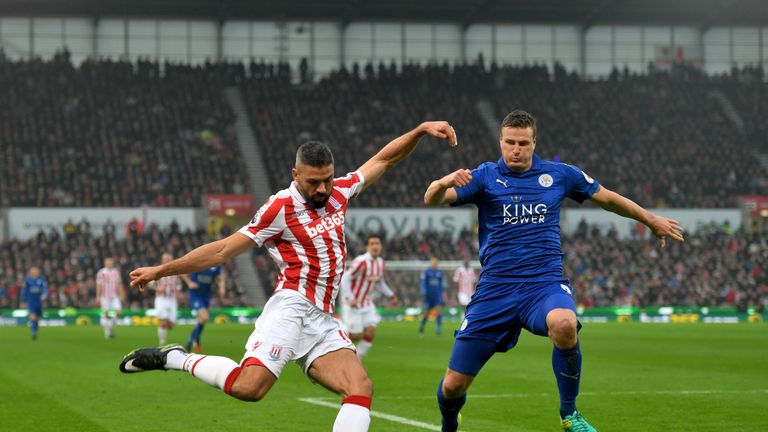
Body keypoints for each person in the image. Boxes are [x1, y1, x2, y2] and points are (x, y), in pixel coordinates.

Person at [118, 121, 458, 432]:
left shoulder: (339, 191)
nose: (323, 188)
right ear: (295, 174)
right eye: (313, 182)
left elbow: (384, 160)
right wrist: (163, 270)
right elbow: (222, 249)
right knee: (250, 389)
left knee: (360, 386)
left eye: (327, 178)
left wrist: (419, 131)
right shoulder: (278, 207)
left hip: (322, 317)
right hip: (291, 306)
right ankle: (175, 358)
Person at [423, 110, 684, 432]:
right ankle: (450, 420)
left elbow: (607, 198)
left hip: (543, 284)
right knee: (452, 386)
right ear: (500, 142)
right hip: (495, 290)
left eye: (523, 143)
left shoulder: (559, 175)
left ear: (534, 143)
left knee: (564, 324)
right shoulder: (484, 177)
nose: (516, 149)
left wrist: (651, 219)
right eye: (509, 143)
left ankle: (569, 413)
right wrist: (442, 182)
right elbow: (431, 200)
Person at [340, 234, 397, 360]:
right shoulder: (361, 262)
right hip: (353, 303)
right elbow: (345, 278)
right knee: (355, 335)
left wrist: (390, 295)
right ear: (367, 247)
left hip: (367, 302)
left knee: (371, 331)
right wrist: (350, 298)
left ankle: (357, 360)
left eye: (377, 243)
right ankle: (337, 326)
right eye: (372, 244)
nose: (375, 246)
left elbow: (379, 282)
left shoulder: (381, 263)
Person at [182, 264, 226, 352]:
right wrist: (189, 283)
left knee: (201, 320)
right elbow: (183, 272)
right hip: (195, 295)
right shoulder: (201, 262)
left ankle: (194, 340)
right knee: (205, 317)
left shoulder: (216, 265)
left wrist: (222, 287)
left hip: (206, 296)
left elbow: (221, 277)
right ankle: (192, 341)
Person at [151, 253, 181, 345]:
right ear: (162, 260)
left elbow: (179, 284)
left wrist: (178, 289)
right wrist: (156, 288)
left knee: (171, 324)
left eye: (169, 259)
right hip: (161, 299)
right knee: (163, 321)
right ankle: (162, 342)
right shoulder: (157, 270)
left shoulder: (175, 271)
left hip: (172, 299)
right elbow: (150, 283)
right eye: (166, 259)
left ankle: (163, 335)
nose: (167, 260)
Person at [96, 257, 124, 339]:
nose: (110, 264)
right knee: (106, 314)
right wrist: (98, 296)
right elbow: (99, 285)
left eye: (111, 262)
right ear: (105, 263)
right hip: (104, 296)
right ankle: (107, 331)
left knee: (118, 312)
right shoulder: (101, 272)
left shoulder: (116, 272)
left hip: (115, 296)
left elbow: (119, 284)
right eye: (108, 262)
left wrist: (121, 294)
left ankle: (110, 327)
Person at [419, 257, 445, 336]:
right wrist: (425, 291)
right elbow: (423, 282)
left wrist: (441, 294)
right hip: (429, 296)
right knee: (427, 312)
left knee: (438, 311)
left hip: (436, 295)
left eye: (436, 263)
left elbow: (441, 284)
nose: (435, 264)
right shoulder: (427, 272)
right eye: (433, 263)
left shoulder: (439, 272)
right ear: (431, 263)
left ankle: (438, 329)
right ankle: (422, 326)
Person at [20, 267, 48, 340]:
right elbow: (24, 291)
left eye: (36, 272)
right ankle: (33, 331)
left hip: (39, 302)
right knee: (33, 316)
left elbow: (45, 288)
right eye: (33, 272)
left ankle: (34, 329)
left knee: (37, 318)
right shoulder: (28, 281)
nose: (35, 273)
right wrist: (23, 300)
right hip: (31, 301)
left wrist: (45, 295)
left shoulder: (41, 280)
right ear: (30, 273)